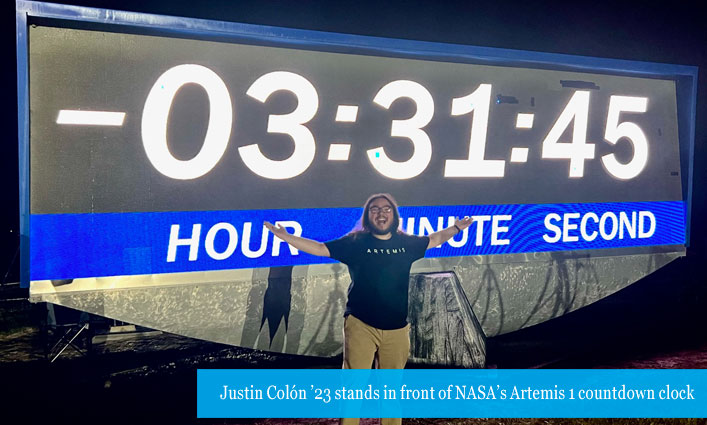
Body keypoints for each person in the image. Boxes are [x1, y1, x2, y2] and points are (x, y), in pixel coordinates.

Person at [264, 193, 472, 425]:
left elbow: (435, 239)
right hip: (360, 325)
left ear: (393, 215)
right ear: (367, 215)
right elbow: (321, 248)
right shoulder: (356, 243)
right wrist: (286, 237)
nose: (380, 213)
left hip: (397, 329)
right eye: (374, 209)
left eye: (386, 209)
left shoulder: (407, 243)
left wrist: (456, 228)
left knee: (391, 394)